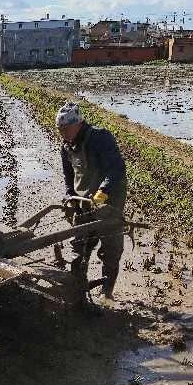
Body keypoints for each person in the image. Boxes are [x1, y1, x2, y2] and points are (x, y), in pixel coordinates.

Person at [56, 102, 127, 301]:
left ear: (78, 124)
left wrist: (103, 191)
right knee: (79, 247)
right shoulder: (67, 146)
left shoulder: (100, 138)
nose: (63, 133)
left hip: (108, 201)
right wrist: (70, 193)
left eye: (66, 129)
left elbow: (116, 169)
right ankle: (78, 289)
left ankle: (107, 293)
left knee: (111, 249)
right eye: (60, 130)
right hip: (82, 202)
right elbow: (69, 175)